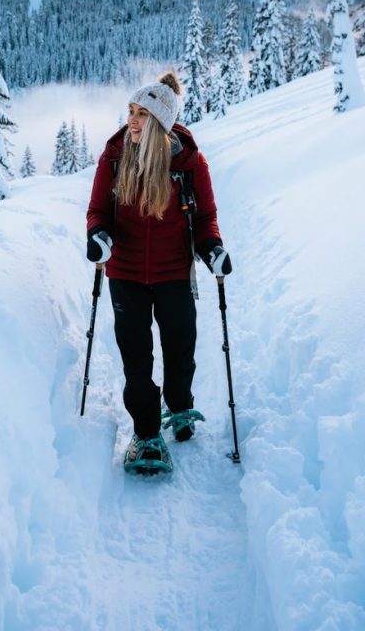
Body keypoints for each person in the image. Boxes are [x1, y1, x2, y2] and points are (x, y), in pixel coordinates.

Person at [86, 71, 232, 473]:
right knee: (136, 357)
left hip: (173, 272)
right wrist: (98, 235)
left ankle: (180, 406)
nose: (131, 121)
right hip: (126, 272)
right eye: (131, 112)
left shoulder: (189, 164)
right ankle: (147, 434)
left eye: (142, 115)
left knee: (180, 348)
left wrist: (212, 248)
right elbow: (97, 210)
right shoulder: (114, 158)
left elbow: (207, 218)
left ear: (161, 123)